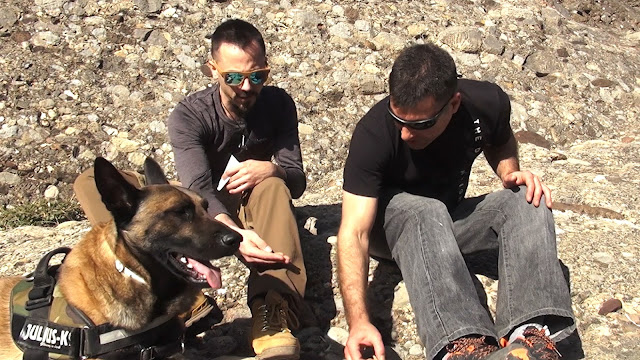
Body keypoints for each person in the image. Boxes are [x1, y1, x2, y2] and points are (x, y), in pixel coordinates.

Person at [74, 19, 306, 360]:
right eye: (233, 77)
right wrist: (230, 232)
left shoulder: (279, 104)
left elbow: (297, 181)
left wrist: (272, 167)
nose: (246, 86)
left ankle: (273, 309)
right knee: (90, 183)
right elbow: (197, 188)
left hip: (250, 201)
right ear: (212, 69)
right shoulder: (190, 115)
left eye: (257, 75)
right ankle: (186, 292)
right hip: (200, 210)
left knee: (274, 184)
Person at [337, 43, 576, 360]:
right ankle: (464, 346)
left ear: (453, 104)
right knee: (424, 209)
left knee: (526, 199)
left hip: (447, 223)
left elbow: (501, 139)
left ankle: (528, 338)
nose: (407, 134)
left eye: (420, 124)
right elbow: (353, 232)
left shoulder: (486, 102)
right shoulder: (374, 134)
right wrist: (359, 322)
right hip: (392, 230)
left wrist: (510, 174)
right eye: (399, 119)